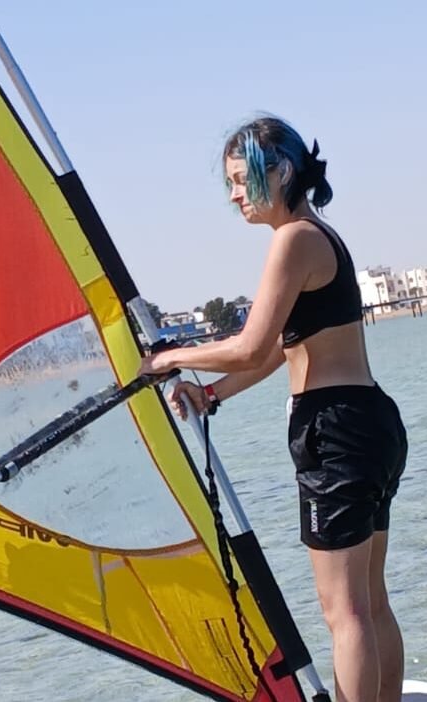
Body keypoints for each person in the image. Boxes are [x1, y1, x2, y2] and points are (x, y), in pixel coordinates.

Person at [139, 116, 408, 702]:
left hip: (334, 434)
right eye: (230, 183)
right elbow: (283, 347)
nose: (234, 194)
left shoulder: (293, 239)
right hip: (369, 424)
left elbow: (250, 346)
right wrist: (210, 395)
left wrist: (167, 358)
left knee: (345, 613)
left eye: (241, 180)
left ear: (280, 172)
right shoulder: (320, 235)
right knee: (369, 600)